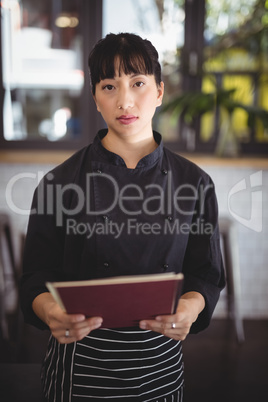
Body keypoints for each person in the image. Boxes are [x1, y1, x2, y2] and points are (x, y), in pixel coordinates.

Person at [20, 32, 225, 401]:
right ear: (95, 97)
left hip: (160, 368)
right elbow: (35, 276)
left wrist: (191, 307)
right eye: (109, 86)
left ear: (160, 91)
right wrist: (51, 311)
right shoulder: (59, 182)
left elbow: (206, 274)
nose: (125, 100)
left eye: (138, 83)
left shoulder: (195, 183)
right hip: (80, 371)